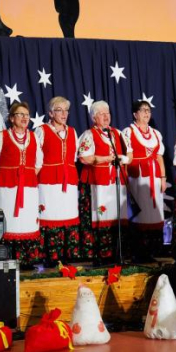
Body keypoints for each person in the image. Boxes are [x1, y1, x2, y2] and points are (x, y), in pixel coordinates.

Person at [0, 102, 43, 267]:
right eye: (20, 114)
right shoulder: (2, 136)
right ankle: (7, 258)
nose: (25, 118)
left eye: (27, 115)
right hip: (6, 187)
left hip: (28, 187)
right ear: (12, 118)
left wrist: (25, 176)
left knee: (27, 220)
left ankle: (27, 259)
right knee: (9, 219)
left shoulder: (33, 136)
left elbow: (39, 162)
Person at [78, 101, 130, 262]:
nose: (106, 116)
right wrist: (107, 159)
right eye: (101, 113)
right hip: (96, 182)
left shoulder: (117, 133)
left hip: (115, 181)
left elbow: (129, 156)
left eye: (107, 112)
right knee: (99, 216)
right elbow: (84, 158)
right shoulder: (89, 134)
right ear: (94, 117)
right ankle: (99, 255)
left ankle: (117, 253)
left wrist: (123, 160)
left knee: (116, 216)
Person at [35, 97, 80, 265]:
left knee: (67, 215)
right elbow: (35, 156)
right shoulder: (42, 130)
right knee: (50, 215)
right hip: (48, 181)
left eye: (66, 110)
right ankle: (50, 257)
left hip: (68, 181)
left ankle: (68, 255)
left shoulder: (72, 131)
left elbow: (73, 157)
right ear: (51, 113)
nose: (64, 114)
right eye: (59, 110)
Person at [122, 100, 166, 261]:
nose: (147, 113)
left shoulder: (155, 133)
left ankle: (151, 251)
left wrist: (163, 178)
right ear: (135, 114)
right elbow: (127, 157)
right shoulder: (128, 131)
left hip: (154, 178)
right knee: (139, 213)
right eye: (143, 110)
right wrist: (125, 180)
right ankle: (137, 253)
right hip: (137, 177)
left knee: (153, 213)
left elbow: (159, 157)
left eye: (148, 110)